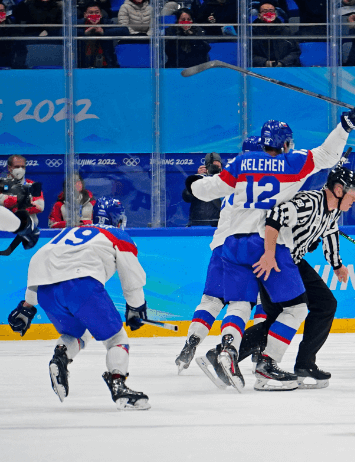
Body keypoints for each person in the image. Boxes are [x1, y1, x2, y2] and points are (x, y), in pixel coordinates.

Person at [188, 104, 355, 391]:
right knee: (297, 308)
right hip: (263, 242)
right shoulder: (292, 163)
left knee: (239, 305)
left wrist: (197, 182)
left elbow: (205, 190)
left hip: (232, 243)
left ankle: (227, 351)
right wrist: (345, 127)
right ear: (286, 144)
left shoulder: (241, 164)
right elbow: (326, 154)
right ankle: (267, 367)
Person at [6, 197, 151, 410]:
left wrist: (28, 305)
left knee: (77, 334)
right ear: (118, 218)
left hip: (46, 290)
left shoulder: (69, 231)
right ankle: (119, 386)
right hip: (81, 288)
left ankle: (61, 356)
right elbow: (131, 277)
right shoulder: (118, 234)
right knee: (116, 339)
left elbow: (41, 258)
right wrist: (136, 306)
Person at [235, 166, 355, 389]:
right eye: (353, 194)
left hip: (293, 262)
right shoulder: (309, 202)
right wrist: (270, 253)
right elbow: (276, 215)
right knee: (296, 312)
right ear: (339, 189)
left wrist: (337, 265)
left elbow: (330, 232)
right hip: (279, 259)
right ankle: (237, 357)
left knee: (320, 306)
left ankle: (301, 363)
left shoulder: (333, 209)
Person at [175, 137, 261, 374]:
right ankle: (230, 349)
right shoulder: (267, 178)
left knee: (211, 301)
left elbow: (195, 190)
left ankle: (191, 342)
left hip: (219, 246)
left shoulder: (230, 175)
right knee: (243, 303)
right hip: (244, 246)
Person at [252, 2, 301, 67]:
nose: (268, 13)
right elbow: (248, 54)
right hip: (261, 68)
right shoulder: (252, 33)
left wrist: (282, 63)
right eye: (265, 11)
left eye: (271, 11)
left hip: (284, 67)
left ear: (275, 14)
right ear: (259, 15)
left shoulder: (286, 31)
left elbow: (295, 51)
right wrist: (264, 62)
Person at [182, 153, 224, 226]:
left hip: (219, 223)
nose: (214, 169)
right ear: (206, 168)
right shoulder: (199, 180)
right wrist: (197, 178)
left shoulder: (225, 181)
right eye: (212, 167)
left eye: (217, 167)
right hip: (198, 223)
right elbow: (187, 198)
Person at [2, 155, 44, 225]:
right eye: (17, 167)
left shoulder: (32, 185)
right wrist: (25, 201)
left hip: (28, 226)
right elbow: (2, 202)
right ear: (9, 168)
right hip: (5, 227)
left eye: (23, 167)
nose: (20, 169)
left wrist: (14, 204)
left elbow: (40, 207)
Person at [0, 2, 28, 68]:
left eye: (2, 11)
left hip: (10, 63)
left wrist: (16, 66)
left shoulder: (12, 25)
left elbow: (22, 49)